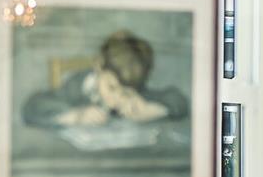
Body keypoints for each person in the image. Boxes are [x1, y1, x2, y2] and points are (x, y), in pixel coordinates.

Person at [22, 29, 188, 129]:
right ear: (98, 66)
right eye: (112, 88)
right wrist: (76, 116)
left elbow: (179, 101)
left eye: (126, 92)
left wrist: (154, 109)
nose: (116, 100)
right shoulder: (76, 87)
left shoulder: (136, 87)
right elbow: (32, 107)